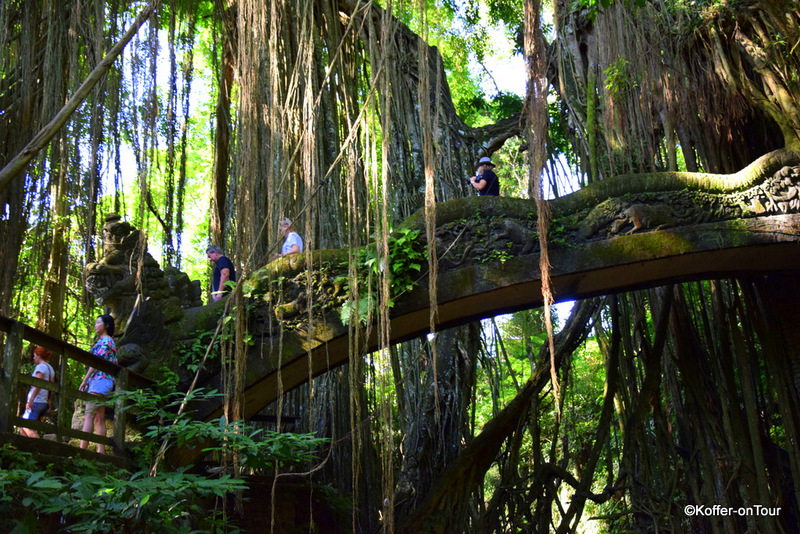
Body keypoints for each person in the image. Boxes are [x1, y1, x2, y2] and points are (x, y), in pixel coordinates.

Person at [79, 314, 118, 454]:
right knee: (99, 417)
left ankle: (82, 450)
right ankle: (100, 451)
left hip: (100, 380)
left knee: (89, 415)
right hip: (103, 381)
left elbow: (97, 362)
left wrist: (85, 380)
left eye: (98, 323)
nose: (95, 325)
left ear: (106, 325)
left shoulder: (106, 341)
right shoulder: (105, 341)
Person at [19, 346, 55, 438]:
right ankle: (28, 449)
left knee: (27, 426)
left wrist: (31, 400)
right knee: (22, 427)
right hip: (43, 401)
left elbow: (38, 385)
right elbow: (52, 387)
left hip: (36, 401)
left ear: (39, 355)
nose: (34, 358)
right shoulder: (50, 369)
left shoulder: (41, 367)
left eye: (34, 355)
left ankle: (39, 448)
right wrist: (49, 401)